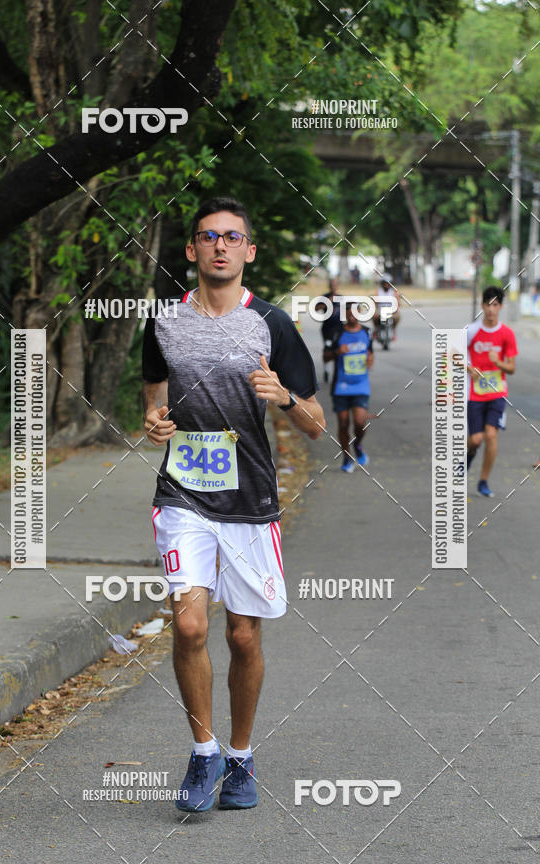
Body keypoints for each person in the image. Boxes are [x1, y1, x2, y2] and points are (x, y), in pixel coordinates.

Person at [141, 196, 325, 813]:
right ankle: (203, 752)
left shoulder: (271, 324)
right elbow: (154, 388)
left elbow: (317, 426)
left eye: (233, 237)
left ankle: (241, 758)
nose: (221, 245)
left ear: (249, 251)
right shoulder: (164, 321)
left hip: (249, 500)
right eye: (208, 236)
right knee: (190, 623)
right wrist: (152, 417)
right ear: (191, 250)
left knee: (243, 636)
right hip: (183, 495)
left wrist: (284, 399)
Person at [466, 286, 517, 498]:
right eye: (488, 304)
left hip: (497, 393)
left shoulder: (506, 333)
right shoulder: (471, 331)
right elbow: (452, 355)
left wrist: (500, 363)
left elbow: (512, 368)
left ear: (501, 307)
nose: (491, 309)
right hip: (474, 394)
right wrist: (469, 369)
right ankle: (464, 460)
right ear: (482, 305)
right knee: (476, 439)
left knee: (490, 435)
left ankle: (484, 481)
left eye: (495, 305)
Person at [324, 300, 374, 472]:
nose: (352, 316)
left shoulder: (367, 332)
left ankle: (358, 445)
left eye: (355, 312)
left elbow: (371, 354)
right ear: (344, 315)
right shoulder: (336, 333)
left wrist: (370, 361)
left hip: (361, 384)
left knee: (360, 422)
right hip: (341, 386)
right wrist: (337, 352)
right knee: (343, 424)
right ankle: (346, 457)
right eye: (349, 313)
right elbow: (325, 357)